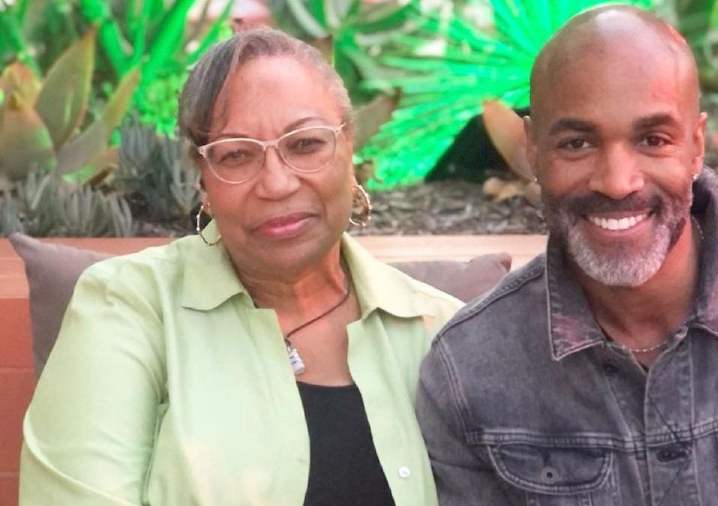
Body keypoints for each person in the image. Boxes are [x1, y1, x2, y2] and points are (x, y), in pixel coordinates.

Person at [416, 6, 718, 505]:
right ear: (533, 151)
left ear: (696, 146)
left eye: (653, 140)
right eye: (577, 142)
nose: (617, 181)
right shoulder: (469, 372)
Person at [20, 28, 462, 505]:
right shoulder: (130, 309)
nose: (276, 183)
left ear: (350, 148)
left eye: (306, 144)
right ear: (203, 181)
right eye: (236, 155)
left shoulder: (444, 331)